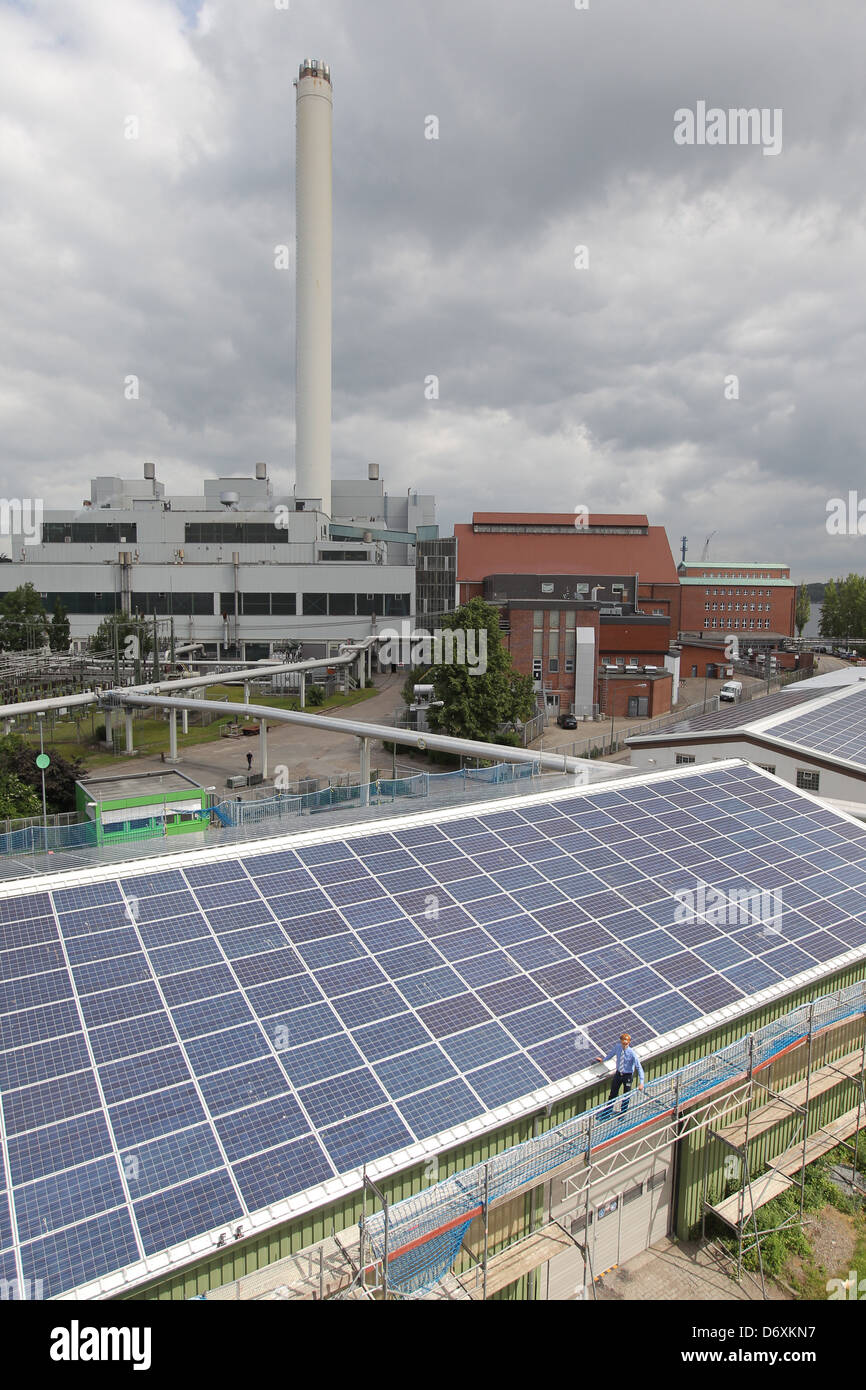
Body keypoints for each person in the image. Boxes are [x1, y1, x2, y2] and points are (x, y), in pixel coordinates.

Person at [596, 1032, 644, 1119]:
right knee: (613, 1094)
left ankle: (623, 1113)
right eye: (623, 1043)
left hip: (627, 1076)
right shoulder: (617, 1047)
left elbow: (639, 1067)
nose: (624, 1045)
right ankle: (607, 1112)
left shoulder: (632, 1053)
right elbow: (611, 1054)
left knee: (626, 1095)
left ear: (629, 1043)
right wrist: (603, 1060)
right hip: (618, 1074)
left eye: (626, 1043)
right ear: (620, 1042)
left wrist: (641, 1082)